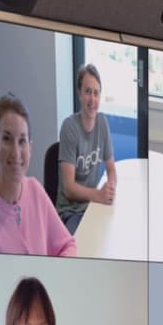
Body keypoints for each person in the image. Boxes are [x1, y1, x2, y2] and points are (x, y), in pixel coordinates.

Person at [0, 93, 77, 257]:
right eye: (7, 139)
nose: (16, 152)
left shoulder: (35, 190)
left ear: (30, 148)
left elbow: (67, 244)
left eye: (22, 141)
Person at [56, 64, 117, 234]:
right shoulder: (69, 127)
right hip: (70, 212)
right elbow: (69, 189)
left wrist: (110, 188)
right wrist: (98, 195)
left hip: (92, 207)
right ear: (80, 94)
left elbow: (111, 168)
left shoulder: (102, 123)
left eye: (96, 93)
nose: (92, 99)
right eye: (88, 91)